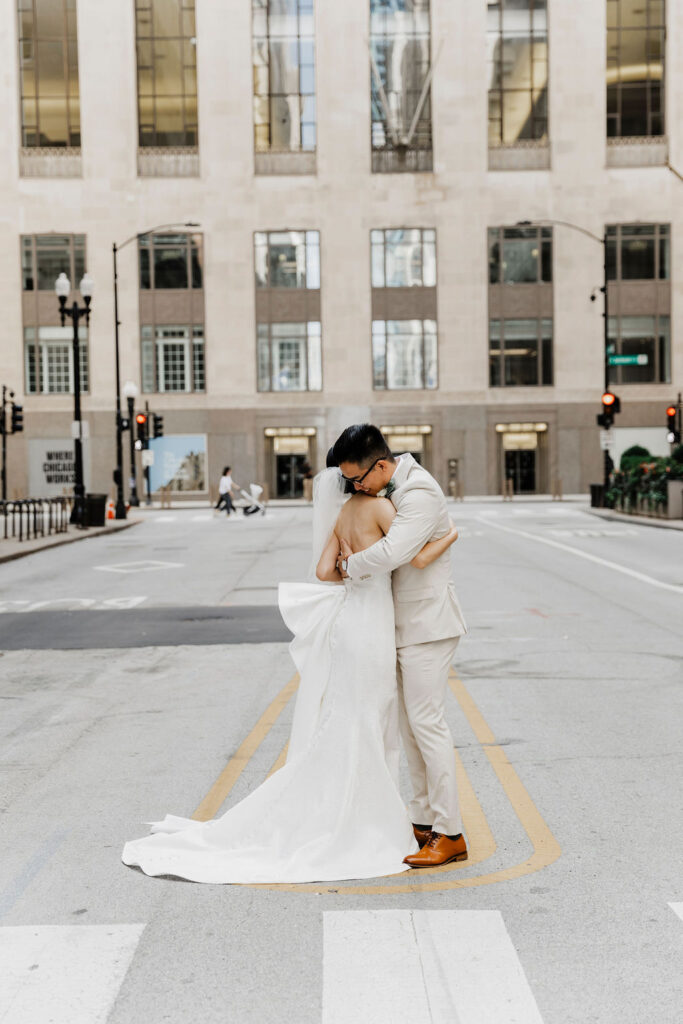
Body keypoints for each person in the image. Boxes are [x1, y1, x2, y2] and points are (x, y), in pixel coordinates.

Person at [121, 467, 458, 884]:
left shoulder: (343, 516)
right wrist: (450, 534)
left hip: (348, 619)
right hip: (374, 624)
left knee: (349, 711)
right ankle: (377, 817)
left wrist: (351, 566)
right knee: (376, 718)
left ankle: (377, 813)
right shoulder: (381, 507)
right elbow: (415, 555)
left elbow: (324, 572)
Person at [332, 424, 468, 868]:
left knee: (428, 726)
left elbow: (394, 552)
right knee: (410, 731)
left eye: (360, 478)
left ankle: (450, 833)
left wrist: (350, 564)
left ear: (383, 464)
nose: (356, 487)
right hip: (397, 624)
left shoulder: (419, 492)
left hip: (427, 625)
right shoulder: (386, 491)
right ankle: (423, 821)